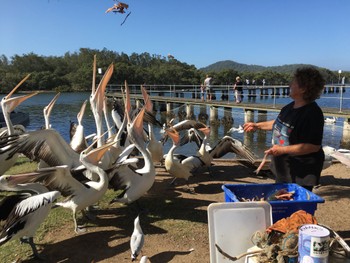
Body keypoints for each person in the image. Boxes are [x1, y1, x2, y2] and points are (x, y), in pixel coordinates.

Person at [243, 67, 326, 192]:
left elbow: (313, 146)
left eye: (293, 82)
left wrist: (282, 150)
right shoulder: (289, 107)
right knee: (281, 204)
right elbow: (279, 124)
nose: (289, 84)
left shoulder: (313, 114)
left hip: (301, 174)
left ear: (303, 89)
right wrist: (257, 125)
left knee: (295, 209)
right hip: (283, 169)